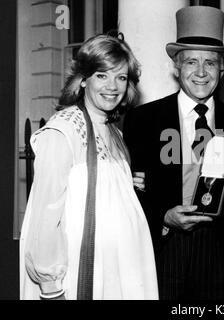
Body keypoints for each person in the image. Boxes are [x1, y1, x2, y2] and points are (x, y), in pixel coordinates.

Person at [123, 6, 224, 300]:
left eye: (210, 62)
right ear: (176, 67)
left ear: (222, 68)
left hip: (220, 249)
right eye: (191, 62)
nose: (201, 72)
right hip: (164, 244)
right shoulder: (143, 119)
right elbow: (129, 189)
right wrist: (164, 216)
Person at [19, 33, 158, 300]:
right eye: (102, 75)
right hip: (80, 277)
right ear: (83, 79)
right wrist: (51, 287)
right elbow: (46, 213)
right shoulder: (64, 129)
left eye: (121, 77)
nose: (113, 86)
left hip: (120, 273)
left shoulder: (114, 133)